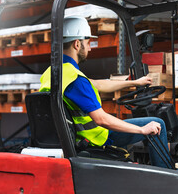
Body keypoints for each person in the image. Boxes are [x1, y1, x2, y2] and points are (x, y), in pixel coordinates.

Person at [40, 16, 170, 168]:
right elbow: (101, 119)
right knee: (157, 124)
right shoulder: (76, 80)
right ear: (77, 44)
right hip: (95, 138)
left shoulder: (55, 73)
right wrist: (142, 130)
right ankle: (167, 177)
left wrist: (134, 82)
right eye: (87, 43)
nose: (89, 48)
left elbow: (96, 84)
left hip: (73, 138)